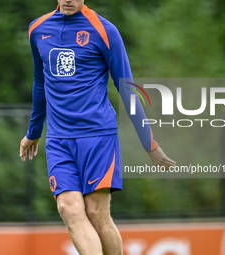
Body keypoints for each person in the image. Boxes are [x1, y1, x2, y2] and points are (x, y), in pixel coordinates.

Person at [20, 0, 176, 254]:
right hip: (58, 139)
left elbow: (127, 89)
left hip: (98, 137)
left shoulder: (105, 31)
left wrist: (150, 143)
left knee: (95, 213)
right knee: (68, 208)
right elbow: (40, 83)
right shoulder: (37, 29)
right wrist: (34, 131)